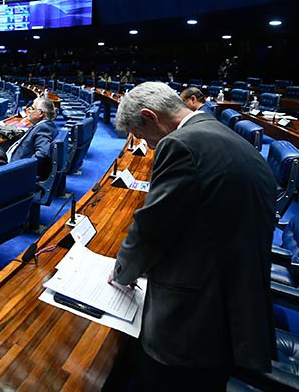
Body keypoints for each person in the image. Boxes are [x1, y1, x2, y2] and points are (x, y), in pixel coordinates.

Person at [110, 82, 276, 390]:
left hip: (195, 316)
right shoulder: (218, 132)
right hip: (234, 295)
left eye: (145, 136)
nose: (151, 146)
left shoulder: (182, 145)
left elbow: (152, 229)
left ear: (150, 117)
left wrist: (122, 272)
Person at [7, 96, 59, 179]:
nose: (29, 111)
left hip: (14, 169)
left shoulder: (44, 128)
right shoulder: (47, 125)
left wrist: (23, 168)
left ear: (41, 113)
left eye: (32, 108)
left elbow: (43, 153)